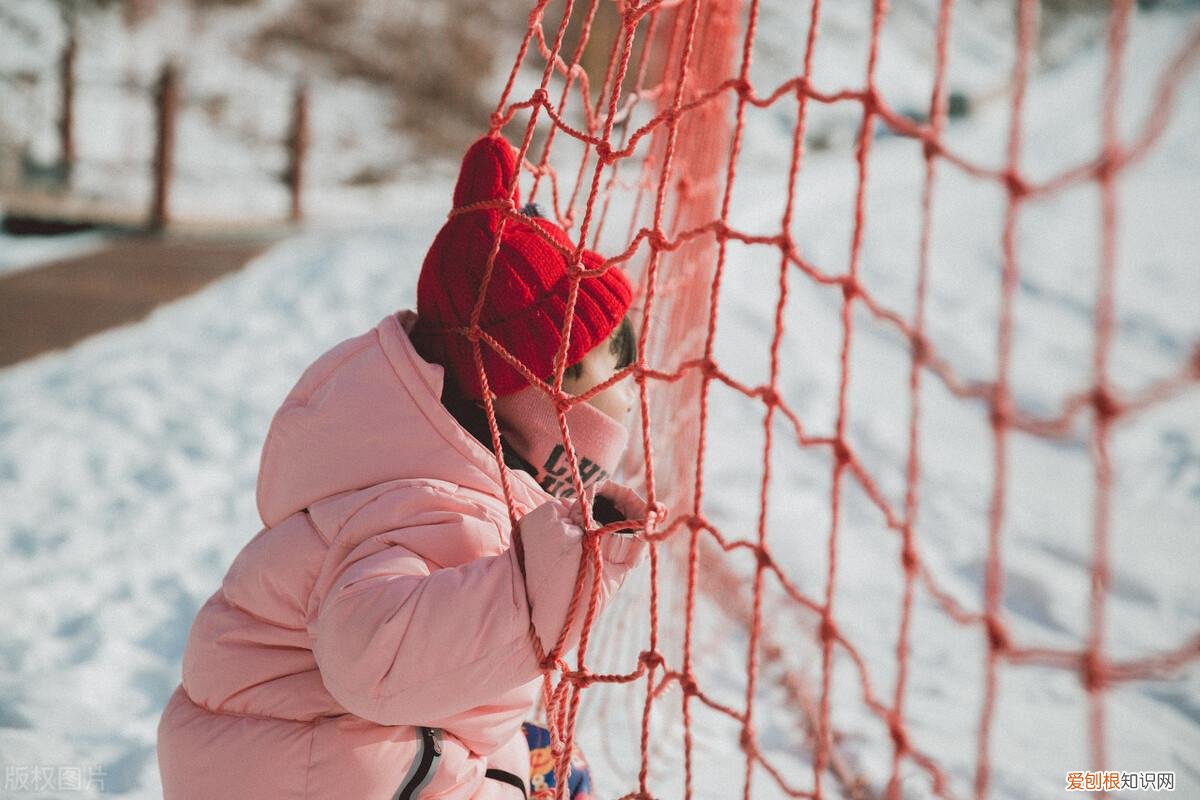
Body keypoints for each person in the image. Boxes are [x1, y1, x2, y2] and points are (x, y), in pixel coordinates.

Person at [156, 132, 658, 800]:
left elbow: (451, 691)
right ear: (539, 390)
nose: (631, 392)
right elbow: (376, 660)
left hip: (307, 751)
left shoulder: (455, 469)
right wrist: (552, 577)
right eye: (614, 369)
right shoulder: (431, 503)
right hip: (303, 765)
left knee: (540, 760)